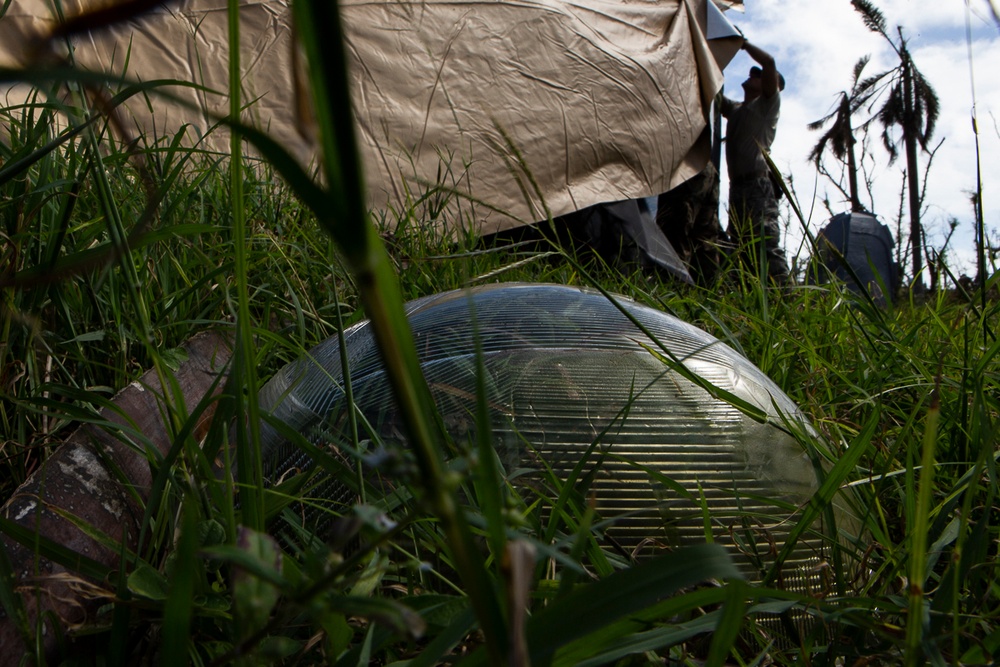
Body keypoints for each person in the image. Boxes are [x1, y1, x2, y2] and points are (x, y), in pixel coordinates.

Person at [720, 40, 790, 281]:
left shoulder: (767, 107)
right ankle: (751, 302)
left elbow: (769, 62)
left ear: (772, 86)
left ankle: (789, 301)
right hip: (738, 188)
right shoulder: (738, 110)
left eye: (758, 76)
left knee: (765, 246)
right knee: (741, 249)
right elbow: (715, 94)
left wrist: (742, 44)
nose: (752, 75)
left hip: (757, 188)